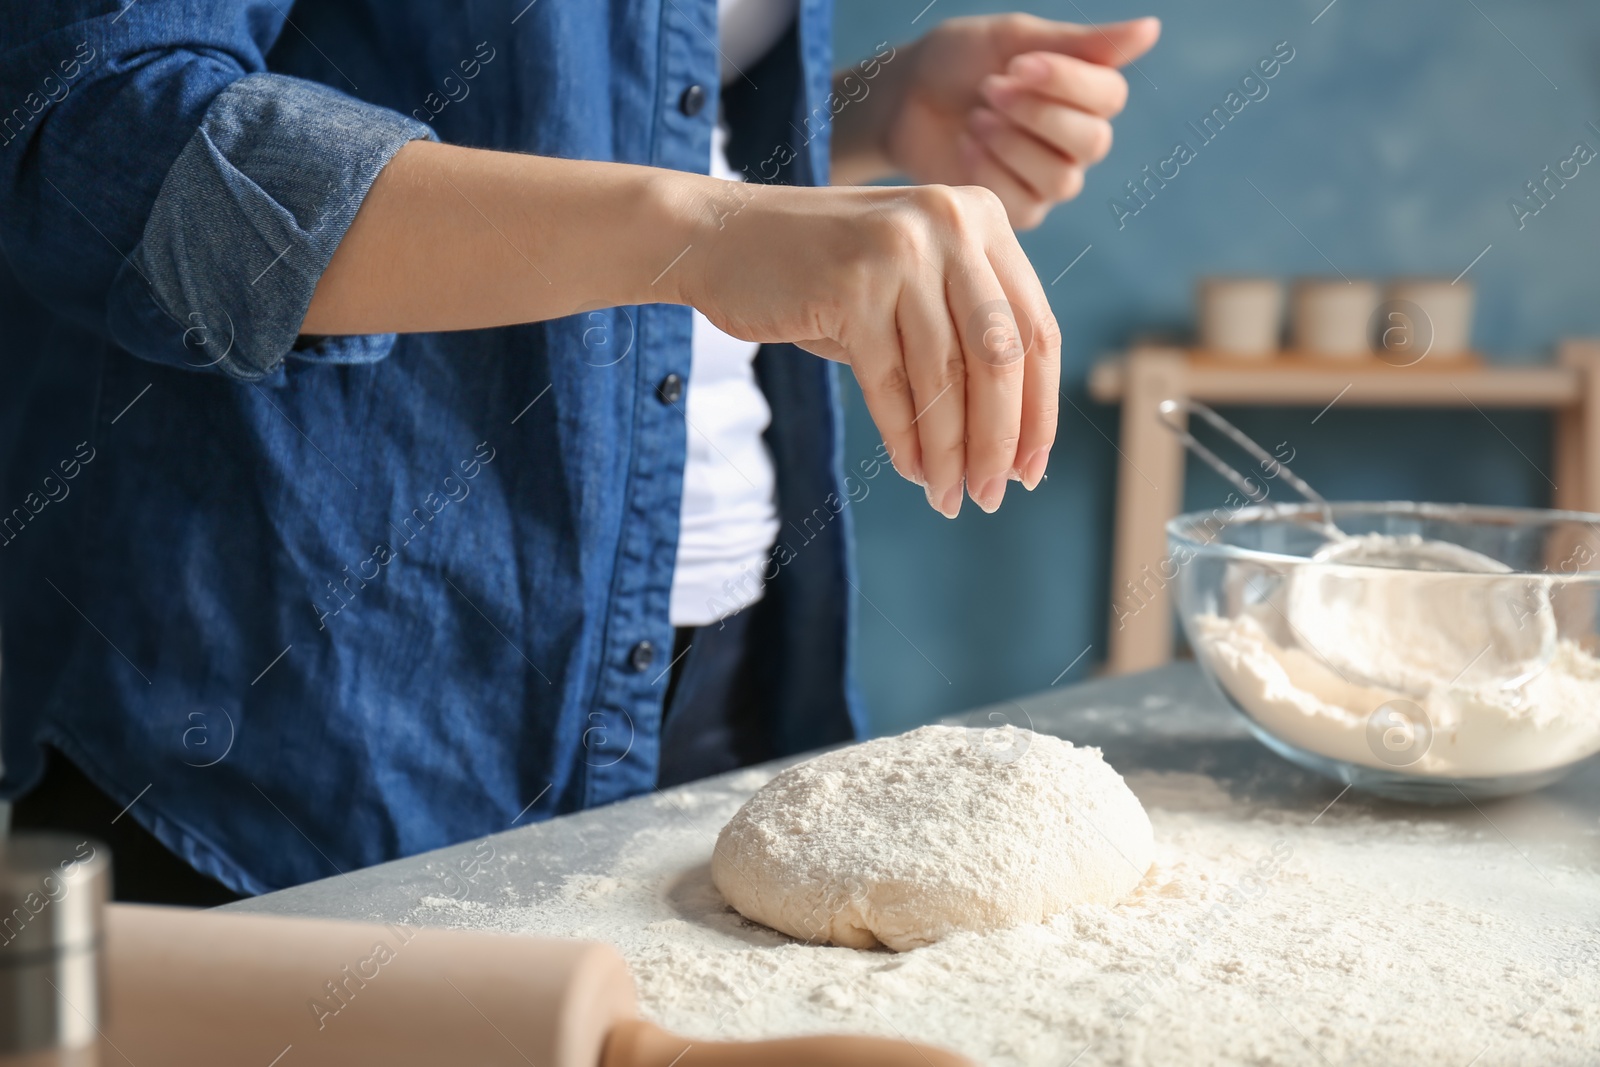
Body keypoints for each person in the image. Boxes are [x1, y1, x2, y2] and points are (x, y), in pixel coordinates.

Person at [0, 1, 1158, 903]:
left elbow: (618, 117)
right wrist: (697, 232)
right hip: (319, 695)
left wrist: (866, 113)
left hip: (723, 668)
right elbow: (92, 137)